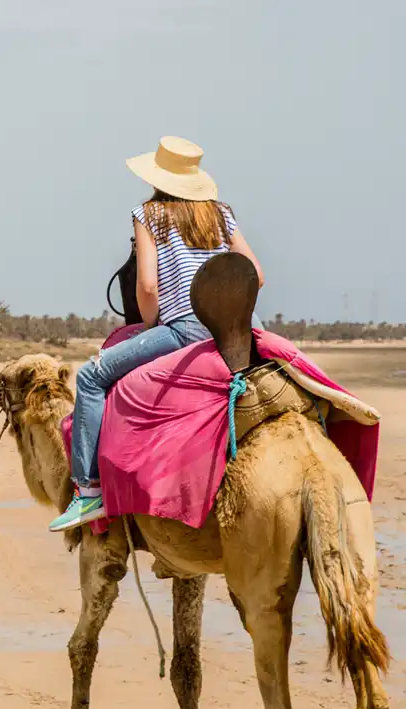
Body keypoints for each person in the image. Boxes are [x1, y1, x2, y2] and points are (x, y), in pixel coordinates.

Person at [48, 136, 265, 532]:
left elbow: (147, 286)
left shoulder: (149, 214)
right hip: (241, 332)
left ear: (157, 177)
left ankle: (88, 491)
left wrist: (151, 329)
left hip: (185, 330)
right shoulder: (221, 214)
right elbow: (258, 275)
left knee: (91, 377)